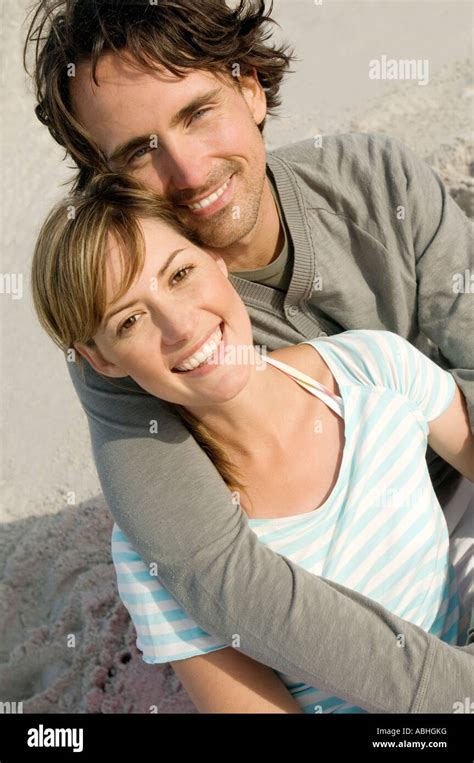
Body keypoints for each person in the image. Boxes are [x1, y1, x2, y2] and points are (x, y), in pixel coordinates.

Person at [24, 0, 474, 712]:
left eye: (198, 112)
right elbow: (218, 574)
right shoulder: (137, 347)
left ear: (251, 88)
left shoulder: (379, 182)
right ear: (102, 177)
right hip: (318, 581)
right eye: (138, 150)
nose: (190, 170)